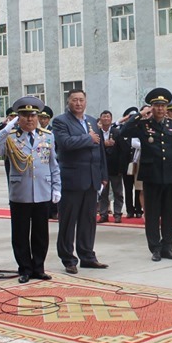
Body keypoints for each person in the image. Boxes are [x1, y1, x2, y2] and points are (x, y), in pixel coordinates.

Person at [0, 96, 60, 282]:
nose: (29, 119)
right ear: (18, 118)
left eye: (33, 115)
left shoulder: (47, 136)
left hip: (42, 191)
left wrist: (56, 188)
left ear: (38, 117)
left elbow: (53, 165)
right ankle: (25, 269)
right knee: (20, 234)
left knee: (41, 234)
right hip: (20, 193)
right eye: (25, 115)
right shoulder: (10, 137)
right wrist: (5, 130)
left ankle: (39, 268)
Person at [118, 88, 172, 261]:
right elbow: (123, 132)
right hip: (152, 175)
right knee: (153, 214)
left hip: (171, 175)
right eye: (156, 105)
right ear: (151, 107)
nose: (160, 109)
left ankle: (167, 246)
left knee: (170, 213)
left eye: (163, 106)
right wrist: (139, 115)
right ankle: (155, 248)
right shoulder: (143, 125)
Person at [53, 89, 109, 273]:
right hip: (72, 179)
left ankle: (87, 256)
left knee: (88, 220)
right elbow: (65, 143)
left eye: (81, 100)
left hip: (92, 179)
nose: (78, 103)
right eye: (74, 100)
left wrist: (103, 175)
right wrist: (87, 138)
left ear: (86, 101)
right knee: (68, 221)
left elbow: (100, 149)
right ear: (68, 102)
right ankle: (68, 259)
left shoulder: (92, 121)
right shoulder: (61, 121)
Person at [97, 110, 124, 223]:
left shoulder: (117, 132)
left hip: (115, 166)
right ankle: (103, 214)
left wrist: (121, 167)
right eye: (104, 117)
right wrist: (104, 144)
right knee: (103, 192)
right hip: (102, 167)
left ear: (111, 119)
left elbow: (123, 149)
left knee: (117, 192)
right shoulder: (96, 133)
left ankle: (117, 213)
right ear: (100, 119)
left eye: (108, 117)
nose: (106, 119)